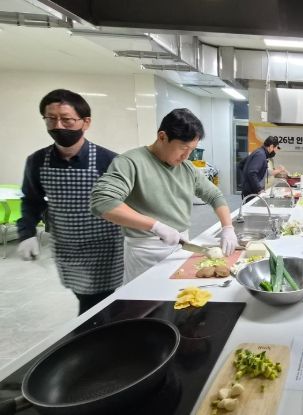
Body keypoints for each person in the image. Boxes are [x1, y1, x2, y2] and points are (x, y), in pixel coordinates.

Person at [90, 108, 238, 283]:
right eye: (183, 148)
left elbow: (214, 195)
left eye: (191, 150)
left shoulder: (187, 168)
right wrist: (155, 226)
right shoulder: (130, 162)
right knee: (147, 296)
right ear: (162, 137)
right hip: (146, 250)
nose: (186, 156)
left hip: (182, 245)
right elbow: (103, 202)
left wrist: (228, 227)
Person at [17, 89, 124, 315]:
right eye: (51, 119)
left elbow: (126, 202)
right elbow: (32, 200)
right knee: (85, 296)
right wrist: (27, 234)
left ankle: (92, 333)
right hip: (67, 247)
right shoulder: (38, 161)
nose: (58, 126)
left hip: (105, 248)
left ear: (86, 122)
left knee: (97, 303)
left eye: (66, 119)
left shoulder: (109, 160)